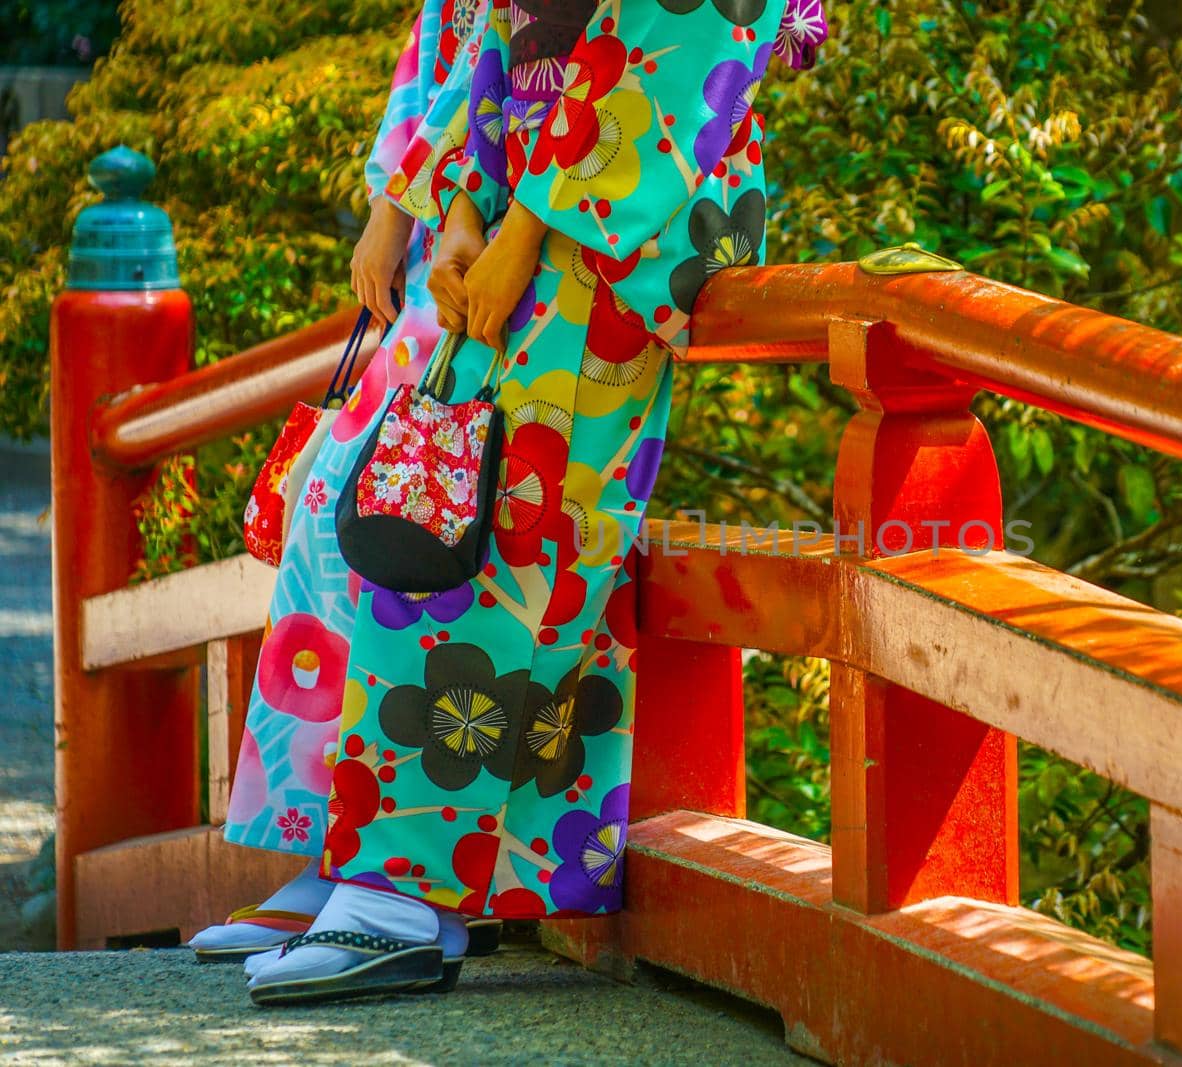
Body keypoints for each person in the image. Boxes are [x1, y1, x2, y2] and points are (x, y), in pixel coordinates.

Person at [211, 0, 827, 1005]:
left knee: (503, 557)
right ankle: (399, 883)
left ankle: (398, 902)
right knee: (436, 523)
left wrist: (527, 229)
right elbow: (499, 43)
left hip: (598, 250)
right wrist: (456, 218)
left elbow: (688, 41)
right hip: (514, 217)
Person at [186, 0, 486, 965]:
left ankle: (402, 886)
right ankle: (330, 852)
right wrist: (388, 211)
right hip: (446, 238)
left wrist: (417, 208)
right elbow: (440, 47)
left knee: (406, 543)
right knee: (328, 521)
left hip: (510, 247)